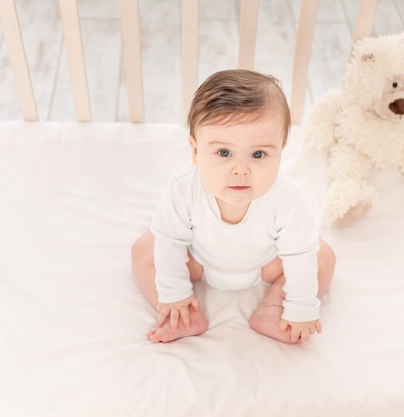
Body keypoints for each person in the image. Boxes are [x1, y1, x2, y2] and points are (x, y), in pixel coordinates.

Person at [131, 69, 336, 344]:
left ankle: (273, 308)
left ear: (281, 149)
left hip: (266, 265)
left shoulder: (287, 198)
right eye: (224, 153)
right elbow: (170, 242)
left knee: (322, 256)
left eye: (259, 154)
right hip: (199, 262)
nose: (241, 170)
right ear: (195, 151)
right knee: (145, 249)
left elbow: (299, 254)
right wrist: (174, 293)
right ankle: (181, 315)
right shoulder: (183, 188)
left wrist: (301, 306)